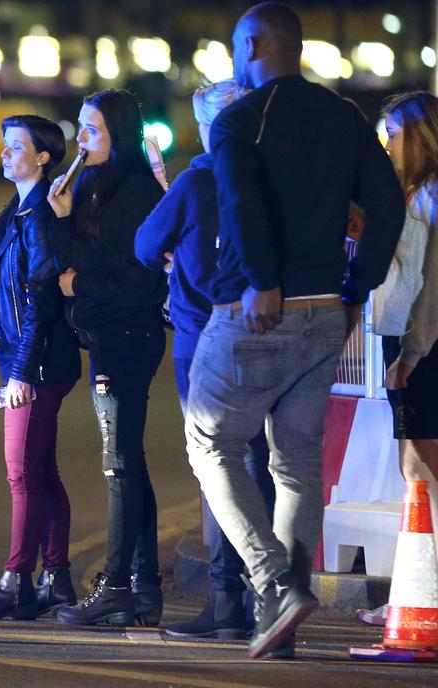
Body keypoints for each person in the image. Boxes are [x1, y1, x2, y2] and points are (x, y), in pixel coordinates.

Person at [183, 2, 405, 659]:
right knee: (297, 466)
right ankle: (281, 617)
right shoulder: (344, 116)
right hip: (325, 314)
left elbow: (239, 202)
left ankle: (272, 582)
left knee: (209, 439)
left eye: (233, 48)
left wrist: (260, 279)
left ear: (254, 45)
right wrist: (357, 289)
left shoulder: (239, 120)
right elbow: (386, 203)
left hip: (254, 310)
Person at [136, 80, 276, 639]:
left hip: (202, 338)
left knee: (217, 467)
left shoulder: (195, 181)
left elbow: (148, 246)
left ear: (206, 126)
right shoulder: (275, 179)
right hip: (269, 331)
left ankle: (226, 600)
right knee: (263, 464)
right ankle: (269, 596)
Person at [46, 89, 168, 628]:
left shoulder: (138, 191)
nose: (80, 140)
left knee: (118, 462)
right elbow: (69, 262)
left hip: (128, 336)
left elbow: (140, 278)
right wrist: (65, 219)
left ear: (117, 135)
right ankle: (142, 585)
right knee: (128, 462)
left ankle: (118, 585)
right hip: (105, 334)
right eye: (80, 128)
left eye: (91, 131)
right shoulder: (92, 187)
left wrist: (80, 283)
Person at [0, 115, 81, 620]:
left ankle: (16, 581)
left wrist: (21, 374)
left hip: (37, 361)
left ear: (44, 157)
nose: (5, 153)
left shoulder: (42, 215)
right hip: (27, 356)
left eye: (16, 147)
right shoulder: (21, 207)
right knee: (42, 472)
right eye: (5, 145)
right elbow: (16, 270)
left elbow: (41, 300)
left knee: (22, 474)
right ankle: (55, 578)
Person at [360, 91, 438, 626]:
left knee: (420, 469)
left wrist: (409, 352)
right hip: (417, 341)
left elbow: (427, 286)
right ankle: (417, 590)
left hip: (424, 345)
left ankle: (421, 593)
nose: (386, 143)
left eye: (393, 133)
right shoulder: (417, 196)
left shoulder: (428, 198)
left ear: (418, 136)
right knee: (419, 469)